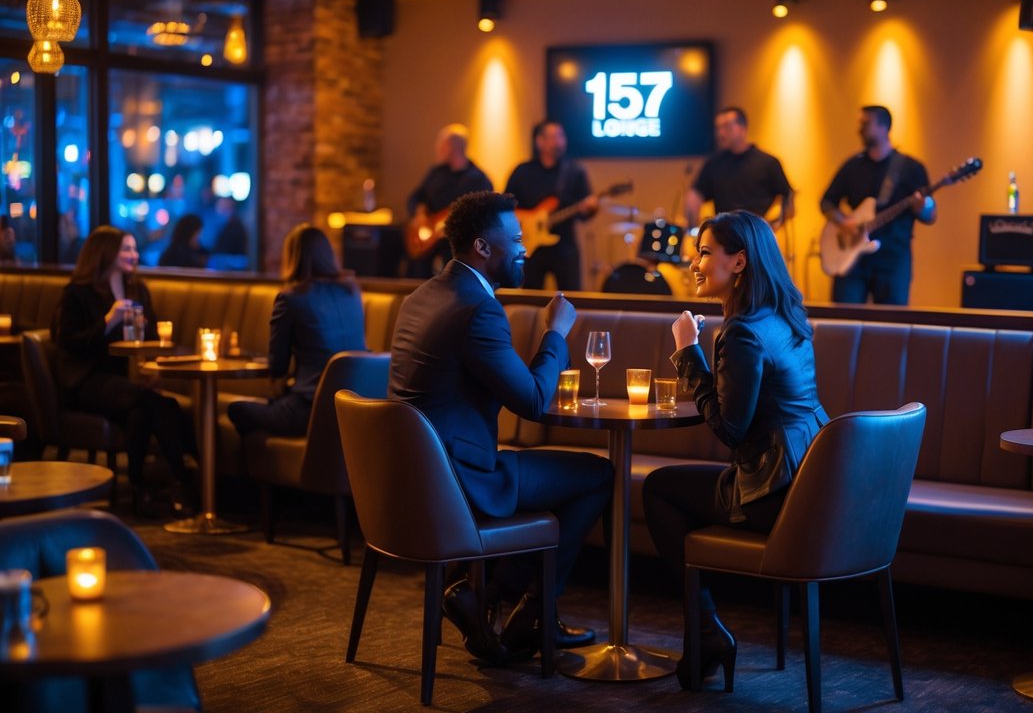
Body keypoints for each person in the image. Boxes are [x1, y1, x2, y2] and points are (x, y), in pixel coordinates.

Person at [389, 190, 613, 664]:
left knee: (569, 475)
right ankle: (528, 609)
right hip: (462, 479)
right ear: (482, 248)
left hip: (413, 478)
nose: (524, 248)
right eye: (514, 239)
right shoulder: (478, 309)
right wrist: (556, 332)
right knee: (599, 476)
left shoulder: (421, 296)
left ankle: (487, 593)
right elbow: (532, 400)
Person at [642, 209, 827, 691]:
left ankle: (705, 631)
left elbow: (729, 430)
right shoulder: (785, 317)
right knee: (673, 486)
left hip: (772, 493)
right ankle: (704, 632)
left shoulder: (742, 332)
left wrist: (687, 352)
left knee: (660, 489)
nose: (694, 262)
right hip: (810, 483)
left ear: (739, 262)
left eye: (704, 252)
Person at [51, 226, 195, 517]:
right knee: (162, 404)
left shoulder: (137, 289)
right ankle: (185, 480)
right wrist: (109, 320)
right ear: (105, 254)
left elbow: (151, 335)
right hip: (85, 380)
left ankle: (139, 489)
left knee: (140, 413)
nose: (135, 255)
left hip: (123, 382)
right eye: (126, 249)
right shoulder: (78, 294)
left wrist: (151, 357)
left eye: (134, 249)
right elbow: (68, 344)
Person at [228, 225, 366, 437]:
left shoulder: (291, 297)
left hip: (309, 410)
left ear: (292, 257)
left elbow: (278, 364)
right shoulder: (352, 292)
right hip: (356, 406)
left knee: (236, 410)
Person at [820, 105, 936, 305]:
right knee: (844, 323)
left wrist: (921, 208)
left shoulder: (911, 168)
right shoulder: (853, 166)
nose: (860, 129)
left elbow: (931, 214)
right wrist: (842, 222)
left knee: (892, 328)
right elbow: (826, 202)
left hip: (894, 259)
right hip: (852, 261)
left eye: (865, 124)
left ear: (884, 127)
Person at [505, 120, 598, 290]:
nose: (558, 141)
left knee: (571, 298)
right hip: (531, 246)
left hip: (565, 247)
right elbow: (505, 207)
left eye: (561, 136)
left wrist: (590, 208)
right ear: (539, 141)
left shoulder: (574, 171)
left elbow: (585, 212)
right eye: (553, 137)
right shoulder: (523, 171)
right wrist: (528, 219)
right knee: (530, 299)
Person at [683, 107, 795, 231]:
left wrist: (771, 226)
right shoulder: (713, 164)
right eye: (718, 128)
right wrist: (692, 222)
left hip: (757, 236)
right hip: (724, 238)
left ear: (742, 128)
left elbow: (788, 202)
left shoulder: (768, 163)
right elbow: (696, 196)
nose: (721, 133)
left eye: (727, 127)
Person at [405, 124, 493, 278]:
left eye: (441, 144)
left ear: (453, 147)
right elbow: (416, 197)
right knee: (415, 263)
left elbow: (484, 214)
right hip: (429, 236)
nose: (437, 148)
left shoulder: (478, 180)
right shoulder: (436, 173)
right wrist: (419, 213)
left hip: (457, 240)